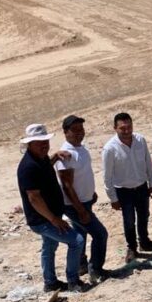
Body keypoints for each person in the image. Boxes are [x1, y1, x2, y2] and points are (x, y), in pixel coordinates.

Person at [16, 123, 88, 292]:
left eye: (45, 142)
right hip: (43, 220)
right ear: (29, 144)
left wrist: (55, 156)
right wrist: (54, 220)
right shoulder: (28, 167)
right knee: (77, 241)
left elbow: (44, 168)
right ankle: (73, 280)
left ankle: (50, 282)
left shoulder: (39, 159)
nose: (44, 145)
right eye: (39, 142)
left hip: (48, 217)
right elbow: (34, 198)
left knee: (49, 246)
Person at [55, 115, 110, 284]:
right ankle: (96, 270)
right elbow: (67, 186)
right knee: (100, 234)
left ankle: (81, 266)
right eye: (75, 130)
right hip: (75, 206)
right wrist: (80, 210)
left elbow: (83, 174)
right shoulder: (66, 155)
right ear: (66, 133)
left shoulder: (81, 149)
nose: (80, 133)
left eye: (81, 129)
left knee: (81, 233)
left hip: (85, 202)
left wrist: (90, 193)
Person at [102, 113, 152, 264]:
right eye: (122, 128)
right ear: (115, 128)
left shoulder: (140, 140)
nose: (127, 131)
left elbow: (148, 162)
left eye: (129, 127)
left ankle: (145, 241)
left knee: (144, 215)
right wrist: (113, 198)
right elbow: (107, 176)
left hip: (141, 187)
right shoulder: (110, 149)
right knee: (128, 220)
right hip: (123, 191)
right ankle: (132, 248)